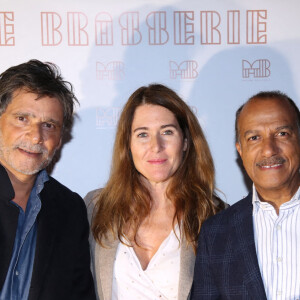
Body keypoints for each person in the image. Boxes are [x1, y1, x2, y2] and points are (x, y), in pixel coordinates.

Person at [85, 84, 225, 300]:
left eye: (167, 132)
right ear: (128, 145)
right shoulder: (96, 207)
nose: (156, 146)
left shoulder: (214, 216)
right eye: (142, 134)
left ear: (185, 141)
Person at [0, 60, 96, 300]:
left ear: (60, 139)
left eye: (49, 125)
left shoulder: (70, 209)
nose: (35, 137)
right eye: (22, 119)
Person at [191, 91, 300, 299]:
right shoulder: (215, 233)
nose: (268, 150)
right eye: (254, 138)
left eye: (282, 134)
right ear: (240, 151)